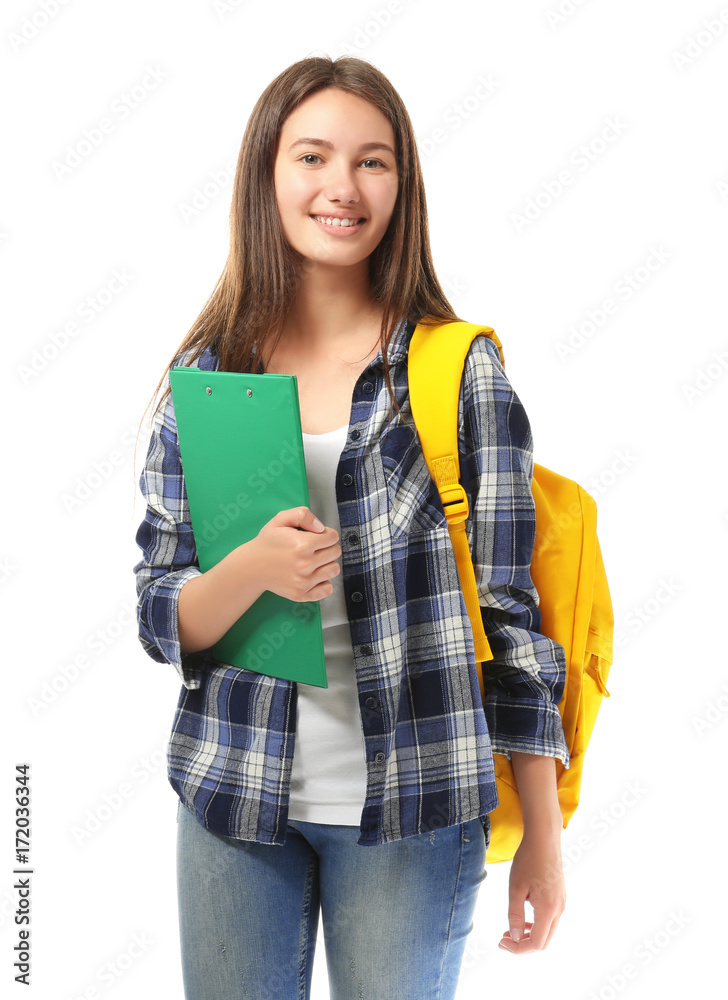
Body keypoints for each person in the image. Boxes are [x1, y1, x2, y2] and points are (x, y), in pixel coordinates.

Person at [133, 54, 569, 1000]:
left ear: (403, 186)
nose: (342, 187)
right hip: (234, 794)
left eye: (373, 162)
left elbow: (513, 621)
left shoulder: (457, 373)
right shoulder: (213, 378)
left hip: (414, 805)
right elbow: (164, 614)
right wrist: (251, 566)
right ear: (267, 175)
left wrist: (544, 837)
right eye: (313, 156)